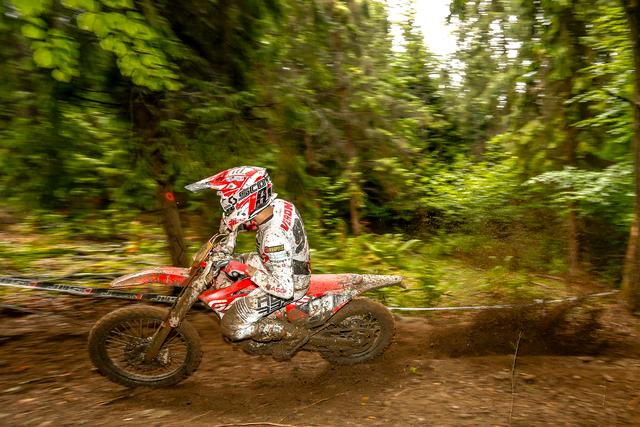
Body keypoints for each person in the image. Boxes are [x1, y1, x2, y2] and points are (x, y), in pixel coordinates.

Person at [185, 166, 311, 360]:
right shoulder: (278, 205)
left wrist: (247, 270)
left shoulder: (273, 238)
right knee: (225, 266)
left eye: (229, 199)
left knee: (231, 326)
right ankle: (252, 314)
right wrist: (229, 237)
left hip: (290, 282)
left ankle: (292, 335)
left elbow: (285, 289)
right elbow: (249, 223)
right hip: (277, 262)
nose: (225, 203)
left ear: (247, 197)